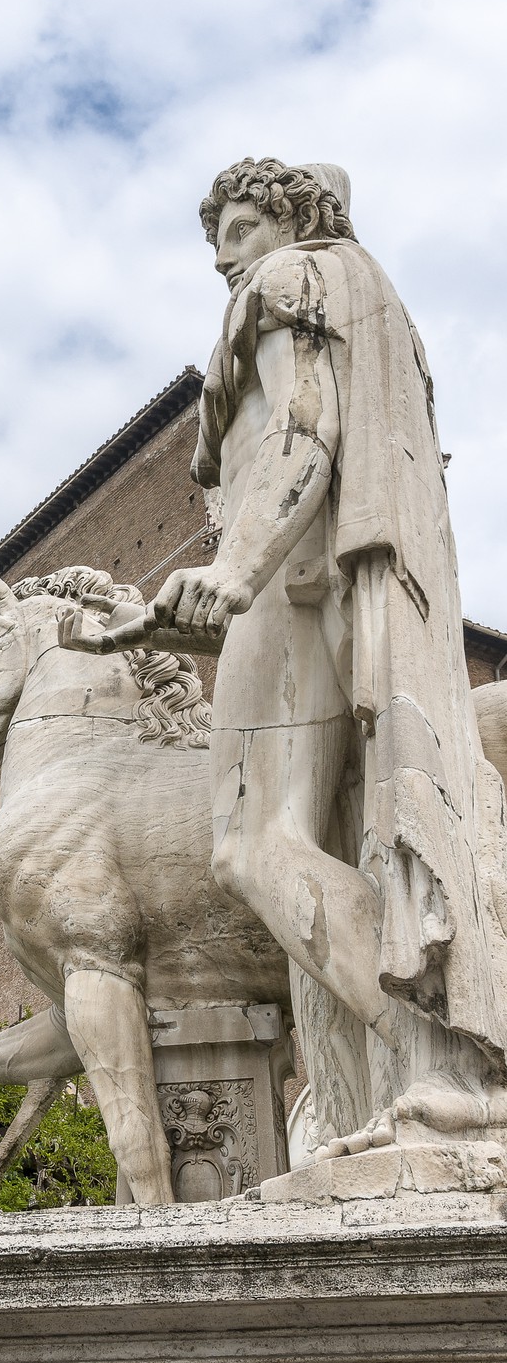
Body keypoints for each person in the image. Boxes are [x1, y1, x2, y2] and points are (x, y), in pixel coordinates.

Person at [61, 158, 507, 1151]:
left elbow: (302, 431)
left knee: (251, 843)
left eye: (240, 226)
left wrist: (236, 565)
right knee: (331, 838)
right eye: (215, 236)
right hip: (340, 582)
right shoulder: (382, 308)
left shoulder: (290, 281)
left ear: (291, 218)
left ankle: (450, 1062)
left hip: (289, 572)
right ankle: (411, 1082)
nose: (225, 256)